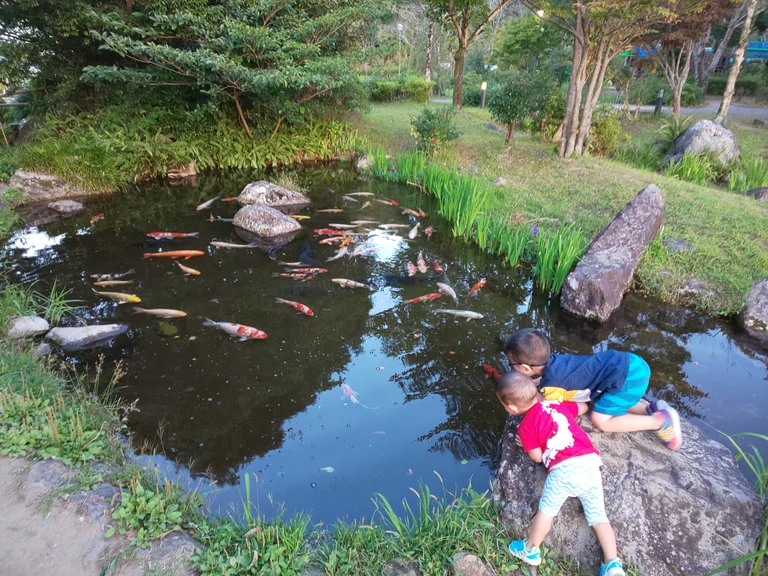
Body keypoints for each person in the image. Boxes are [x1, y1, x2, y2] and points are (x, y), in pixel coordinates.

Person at [496, 371, 625, 576]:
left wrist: (528, 444)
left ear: (511, 408)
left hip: (563, 470)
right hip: (590, 463)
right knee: (599, 517)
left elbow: (537, 457)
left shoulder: (526, 426)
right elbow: (582, 407)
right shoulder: (556, 403)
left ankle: (530, 549)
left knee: (547, 511)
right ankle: (612, 563)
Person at [504, 328, 682, 450]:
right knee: (609, 400)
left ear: (526, 368)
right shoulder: (557, 360)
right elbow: (560, 376)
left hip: (626, 377)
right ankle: (649, 409)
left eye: (512, 365)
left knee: (600, 419)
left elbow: (547, 409)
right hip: (632, 363)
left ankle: (659, 421)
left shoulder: (550, 387)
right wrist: (540, 382)